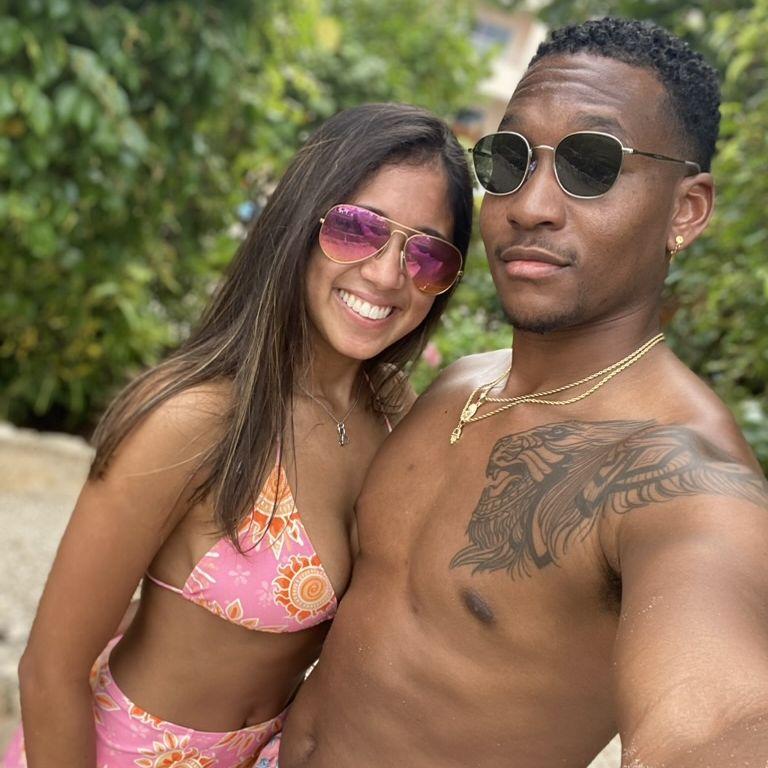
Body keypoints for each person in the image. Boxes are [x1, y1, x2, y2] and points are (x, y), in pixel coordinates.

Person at [271, 18, 768, 768]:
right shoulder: (460, 383)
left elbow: (717, 721)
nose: (529, 205)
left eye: (592, 165)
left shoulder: (678, 475)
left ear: (686, 210)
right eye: (509, 159)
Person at [3, 102, 473, 768]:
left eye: (426, 253)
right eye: (358, 228)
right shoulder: (196, 422)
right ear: (300, 225)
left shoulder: (394, 412)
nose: (387, 274)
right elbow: (49, 672)